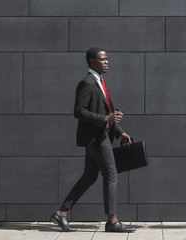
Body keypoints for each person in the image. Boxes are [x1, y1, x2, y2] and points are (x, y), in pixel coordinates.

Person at [50, 47, 136, 233]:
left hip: (100, 136)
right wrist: (105, 120)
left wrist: (119, 132)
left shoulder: (99, 82)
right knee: (111, 175)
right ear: (92, 62)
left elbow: (108, 112)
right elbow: (79, 111)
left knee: (89, 176)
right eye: (103, 59)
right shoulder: (87, 83)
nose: (107, 62)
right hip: (96, 138)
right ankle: (112, 221)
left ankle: (61, 213)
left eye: (107, 59)